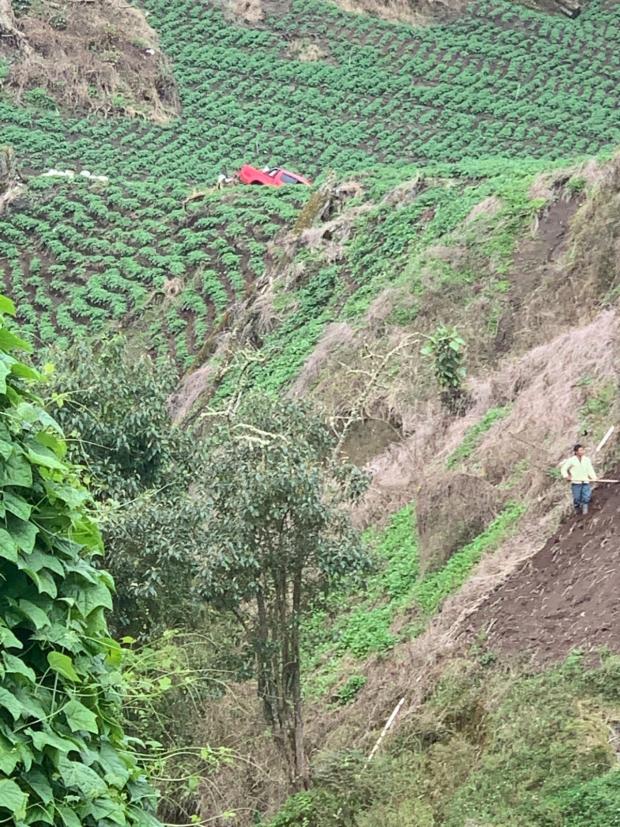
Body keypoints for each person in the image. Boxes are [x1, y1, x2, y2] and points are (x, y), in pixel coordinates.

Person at [560, 443, 597, 515]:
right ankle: (577, 508)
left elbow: (590, 469)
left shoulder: (586, 460)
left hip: (585, 481)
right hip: (576, 482)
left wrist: (594, 477)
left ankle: (585, 511)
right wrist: (566, 476)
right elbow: (563, 469)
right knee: (577, 498)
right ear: (576, 452)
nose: (583, 451)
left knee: (586, 496)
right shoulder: (571, 460)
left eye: (583, 450)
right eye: (581, 450)